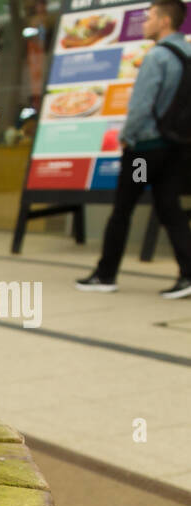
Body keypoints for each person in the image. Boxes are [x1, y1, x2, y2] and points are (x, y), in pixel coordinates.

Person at [78, 0, 191, 298]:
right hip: (175, 148)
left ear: (165, 21)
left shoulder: (157, 57)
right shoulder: (188, 53)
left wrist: (127, 137)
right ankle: (189, 274)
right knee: (170, 207)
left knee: (123, 208)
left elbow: (141, 105)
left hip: (145, 151)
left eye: (150, 16)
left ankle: (106, 275)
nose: (145, 22)